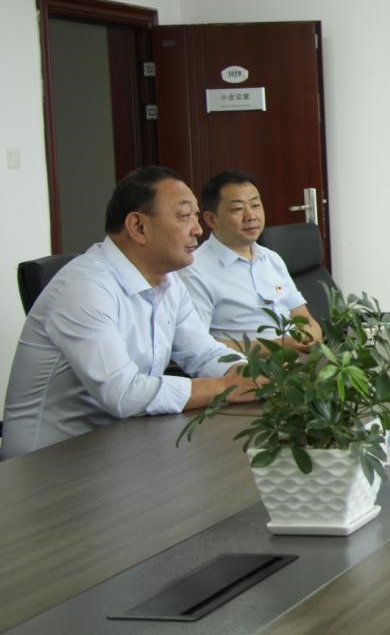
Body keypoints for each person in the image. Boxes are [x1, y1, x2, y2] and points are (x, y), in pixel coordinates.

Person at [1, 167, 257, 459]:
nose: (198, 230)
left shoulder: (169, 282)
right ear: (138, 226)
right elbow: (122, 393)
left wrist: (250, 375)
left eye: (196, 216)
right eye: (185, 216)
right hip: (50, 462)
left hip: (124, 443)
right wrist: (226, 386)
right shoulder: (85, 287)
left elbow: (203, 352)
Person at [180, 170, 320, 353]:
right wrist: (277, 347)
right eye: (238, 209)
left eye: (255, 205)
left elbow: (303, 316)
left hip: (300, 360)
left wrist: (311, 336)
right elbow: (198, 345)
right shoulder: (194, 270)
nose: (251, 216)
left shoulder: (271, 258)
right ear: (211, 219)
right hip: (249, 367)